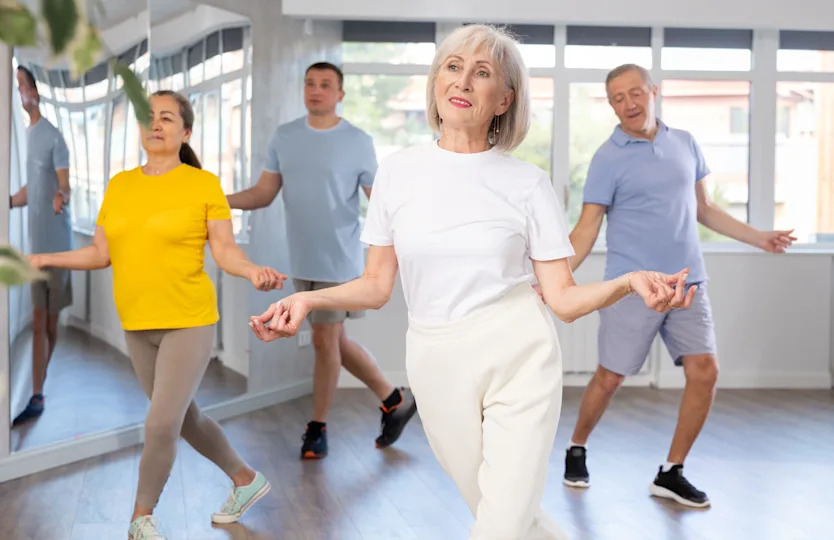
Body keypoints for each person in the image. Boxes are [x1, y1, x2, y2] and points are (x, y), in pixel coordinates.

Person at [249, 26, 695, 539]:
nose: (462, 80)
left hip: (519, 353)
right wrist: (307, 298)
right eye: (453, 66)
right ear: (437, 81)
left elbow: (564, 300)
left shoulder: (527, 184)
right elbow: (376, 285)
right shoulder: (397, 173)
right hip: (436, 358)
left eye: (482, 72)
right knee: (503, 512)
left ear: (504, 99)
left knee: (500, 523)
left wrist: (628, 281)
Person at [29, 90, 284, 540]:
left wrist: (252, 272)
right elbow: (99, 253)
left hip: (189, 319)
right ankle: (247, 480)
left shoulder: (202, 185)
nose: (156, 124)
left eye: (167, 117)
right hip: (137, 322)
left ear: (186, 132)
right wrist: (46, 259)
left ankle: (140, 519)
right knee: (184, 419)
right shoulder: (120, 185)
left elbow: (224, 250)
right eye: (149, 117)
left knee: (160, 422)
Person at [561, 63, 796, 508]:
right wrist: (558, 278)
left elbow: (705, 209)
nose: (628, 104)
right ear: (610, 104)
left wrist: (758, 236)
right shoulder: (608, 157)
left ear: (654, 91)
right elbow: (587, 226)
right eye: (617, 98)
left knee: (705, 371)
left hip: (689, 281)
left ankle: (671, 472)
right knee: (610, 377)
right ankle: (577, 446)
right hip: (632, 286)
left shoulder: (685, 142)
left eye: (635, 93)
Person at [226, 61, 417, 459]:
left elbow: (377, 201)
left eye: (326, 84)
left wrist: (411, 236)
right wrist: (214, 201)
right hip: (303, 260)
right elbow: (263, 194)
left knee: (323, 341)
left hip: (340, 262)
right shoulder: (285, 136)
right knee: (334, 341)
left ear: (340, 94)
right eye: (310, 83)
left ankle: (317, 427)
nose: (316, 90)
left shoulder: (358, 140)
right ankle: (394, 400)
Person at [10, 65, 73, 425]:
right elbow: (28, 191)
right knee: (38, 321)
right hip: (34, 250)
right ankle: (36, 393)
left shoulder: (53, 136)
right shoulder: (25, 135)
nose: (20, 91)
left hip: (57, 245)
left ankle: (39, 386)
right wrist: (8, 201)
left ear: (35, 90)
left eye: (23, 84)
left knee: (49, 323)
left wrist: (60, 197)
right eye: (16, 86)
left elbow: (64, 185)